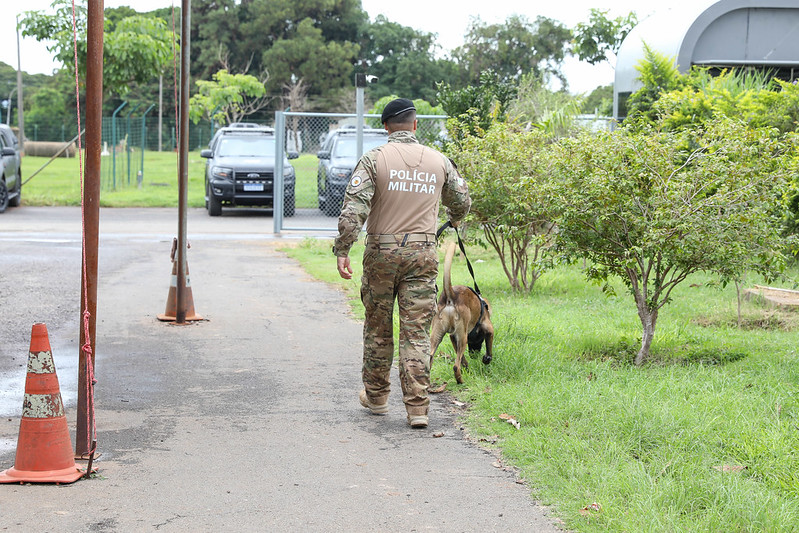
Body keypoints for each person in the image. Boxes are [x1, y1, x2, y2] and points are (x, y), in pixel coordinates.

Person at [332, 98, 471, 429]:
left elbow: (354, 212)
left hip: (381, 253)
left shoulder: (374, 160)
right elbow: (463, 201)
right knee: (417, 332)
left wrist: (342, 248)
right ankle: (418, 408)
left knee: (378, 328)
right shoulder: (439, 161)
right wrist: (452, 218)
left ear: (385, 128)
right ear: (415, 124)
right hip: (422, 256)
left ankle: (377, 399)